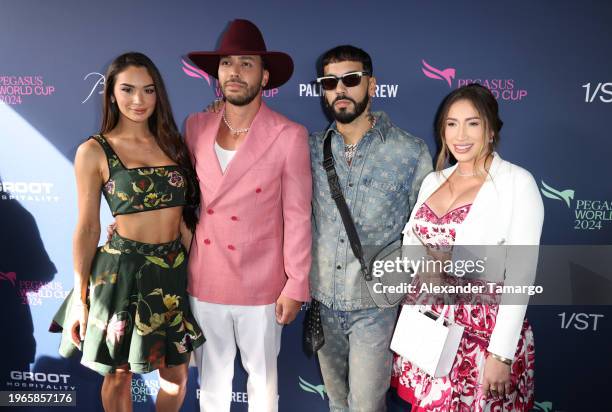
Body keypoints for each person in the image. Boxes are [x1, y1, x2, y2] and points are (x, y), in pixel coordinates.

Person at [50, 52, 205, 412]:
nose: (139, 100)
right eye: (128, 89)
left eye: (148, 90)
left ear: (158, 95)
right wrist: (82, 298)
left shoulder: (174, 144)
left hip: (172, 272)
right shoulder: (94, 150)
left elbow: (185, 217)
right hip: (120, 276)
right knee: (118, 374)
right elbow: (87, 227)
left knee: (176, 376)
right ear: (112, 94)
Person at [185, 19, 312, 412]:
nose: (234, 73)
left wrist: (296, 284)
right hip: (205, 276)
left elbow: (298, 215)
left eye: (245, 64)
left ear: (264, 75)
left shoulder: (288, 134)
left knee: (262, 383)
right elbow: (183, 196)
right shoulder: (196, 125)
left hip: (262, 283)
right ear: (216, 74)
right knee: (211, 382)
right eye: (226, 64)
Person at [391, 83, 543, 411]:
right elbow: (411, 241)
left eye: (472, 123)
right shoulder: (434, 181)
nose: (461, 134)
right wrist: (428, 266)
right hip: (427, 329)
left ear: (491, 131)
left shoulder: (517, 183)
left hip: (482, 339)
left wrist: (501, 354)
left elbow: (521, 275)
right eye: (451, 123)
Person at [309, 45, 433, 412]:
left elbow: (425, 229)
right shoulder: (310, 148)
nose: (340, 90)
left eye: (350, 79)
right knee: (336, 403)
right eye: (330, 82)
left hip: (375, 306)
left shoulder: (410, 151)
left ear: (372, 85)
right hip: (324, 300)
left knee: (365, 405)